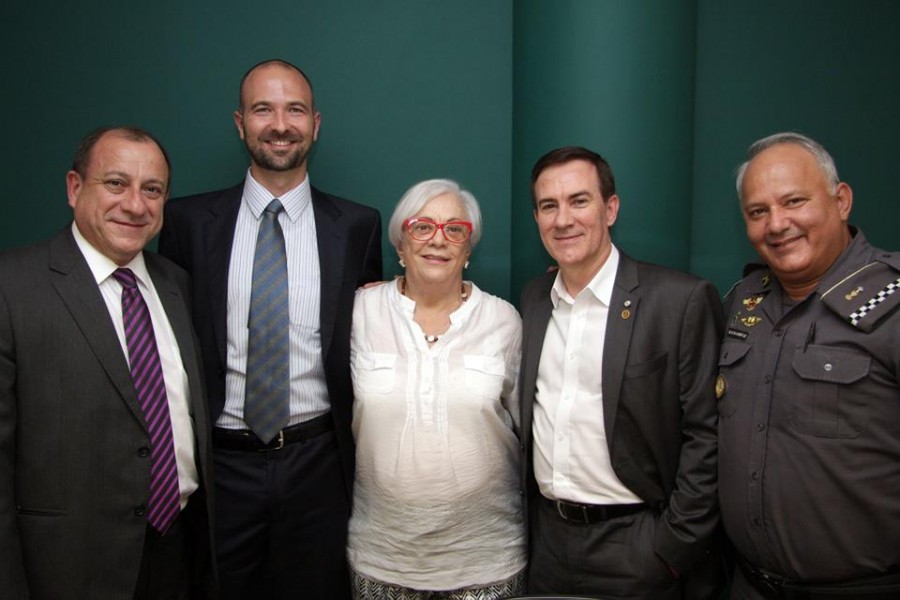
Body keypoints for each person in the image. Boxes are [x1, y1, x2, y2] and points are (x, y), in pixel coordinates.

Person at [158, 59, 382, 599]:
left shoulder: (357, 226)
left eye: (294, 110)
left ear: (316, 124)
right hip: (222, 465)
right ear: (240, 122)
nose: (280, 124)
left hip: (318, 466)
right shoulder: (186, 222)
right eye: (263, 109)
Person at [0, 126, 215, 599]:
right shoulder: (11, 287)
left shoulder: (175, 283)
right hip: (66, 566)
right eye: (116, 183)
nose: (135, 205)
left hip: (178, 552)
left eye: (152, 190)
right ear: (75, 188)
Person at [520, 146, 724, 599]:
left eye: (579, 201)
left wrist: (671, 548)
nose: (563, 219)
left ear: (610, 209)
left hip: (638, 544)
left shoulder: (679, 301)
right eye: (548, 206)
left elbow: (707, 435)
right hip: (548, 545)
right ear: (535, 217)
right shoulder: (534, 299)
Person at [719, 132, 900, 599]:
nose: (776, 224)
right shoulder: (743, 303)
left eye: (794, 201)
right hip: (747, 585)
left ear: (841, 201)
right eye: (758, 212)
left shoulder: (894, 305)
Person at [347, 179, 526, 599]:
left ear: (468, 250)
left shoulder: (505, 321)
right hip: (383, 559)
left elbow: (530, 431)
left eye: (455, 229)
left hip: (486, 560)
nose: (438, 240)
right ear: (401, 245)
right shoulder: (358, 312)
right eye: (422, 227)